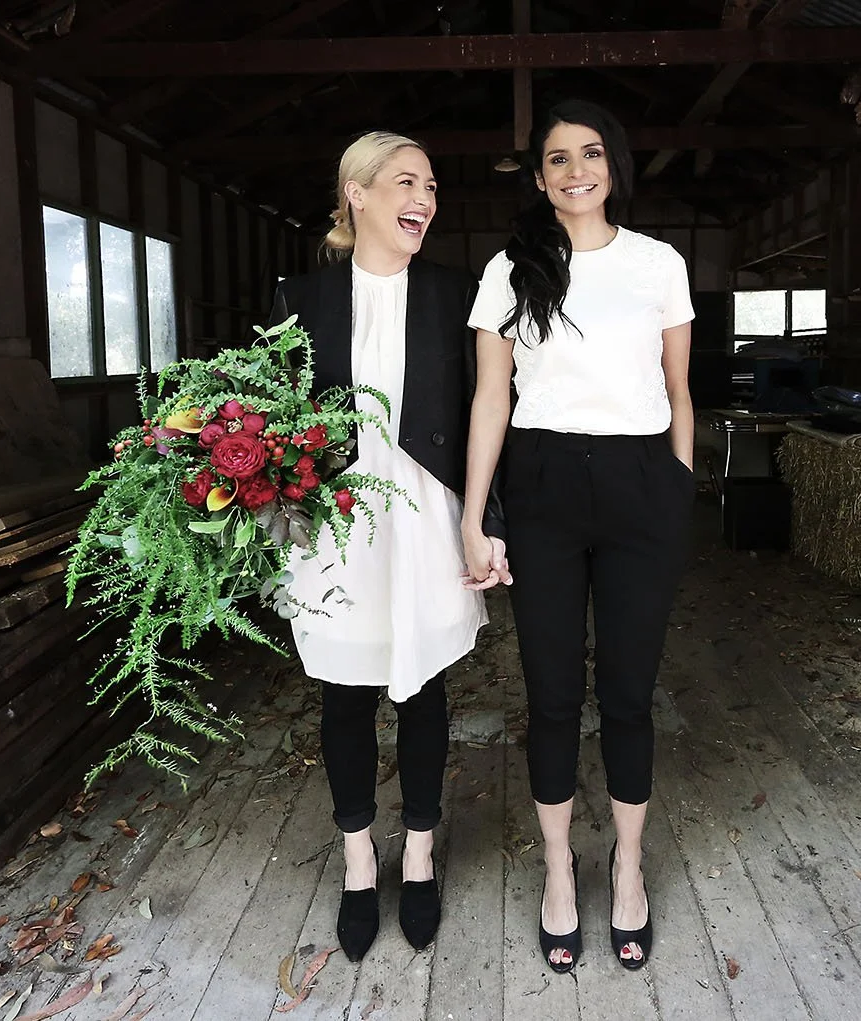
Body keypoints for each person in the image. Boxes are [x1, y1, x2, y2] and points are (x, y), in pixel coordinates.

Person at [462, 100, 696, 972]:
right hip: (545, 483)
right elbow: (492, 399)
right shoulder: (509, 270)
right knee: (553, 692)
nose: (575, 171)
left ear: (614, 165)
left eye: (590, 154)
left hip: (643, 486)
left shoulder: (657, 264)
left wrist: (674, 486)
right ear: (539, 178)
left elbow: (678, 389)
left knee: (630, 693)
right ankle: (561, 868)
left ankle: (626, 865)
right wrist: (473, 513)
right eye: (557, 159)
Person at [268, 131, 510, 962]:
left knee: (423, 690)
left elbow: (491, 409)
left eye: (433, 186)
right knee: (343, 692)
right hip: (337, 522)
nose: (426, 198)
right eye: (408, 182)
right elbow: (270, 422)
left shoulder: (454, 293)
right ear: (358, 194)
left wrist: (488, 518)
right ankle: (358, 859)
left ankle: (418, 852)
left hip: (423, 512)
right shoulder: (299, 297)